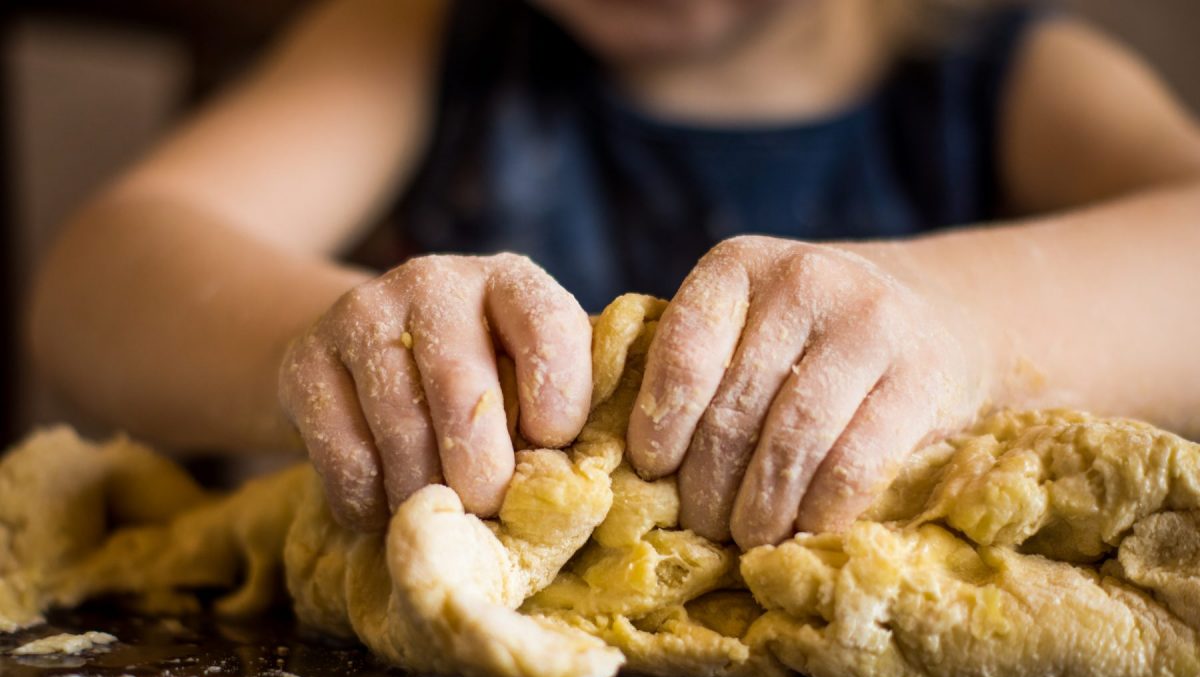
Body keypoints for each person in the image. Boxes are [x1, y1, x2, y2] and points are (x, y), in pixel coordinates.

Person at [27, 0, 1200, 550]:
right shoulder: (426, 35)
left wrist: (968, 326)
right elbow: (97, 272)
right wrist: (323, 350)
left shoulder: (1001, 74)